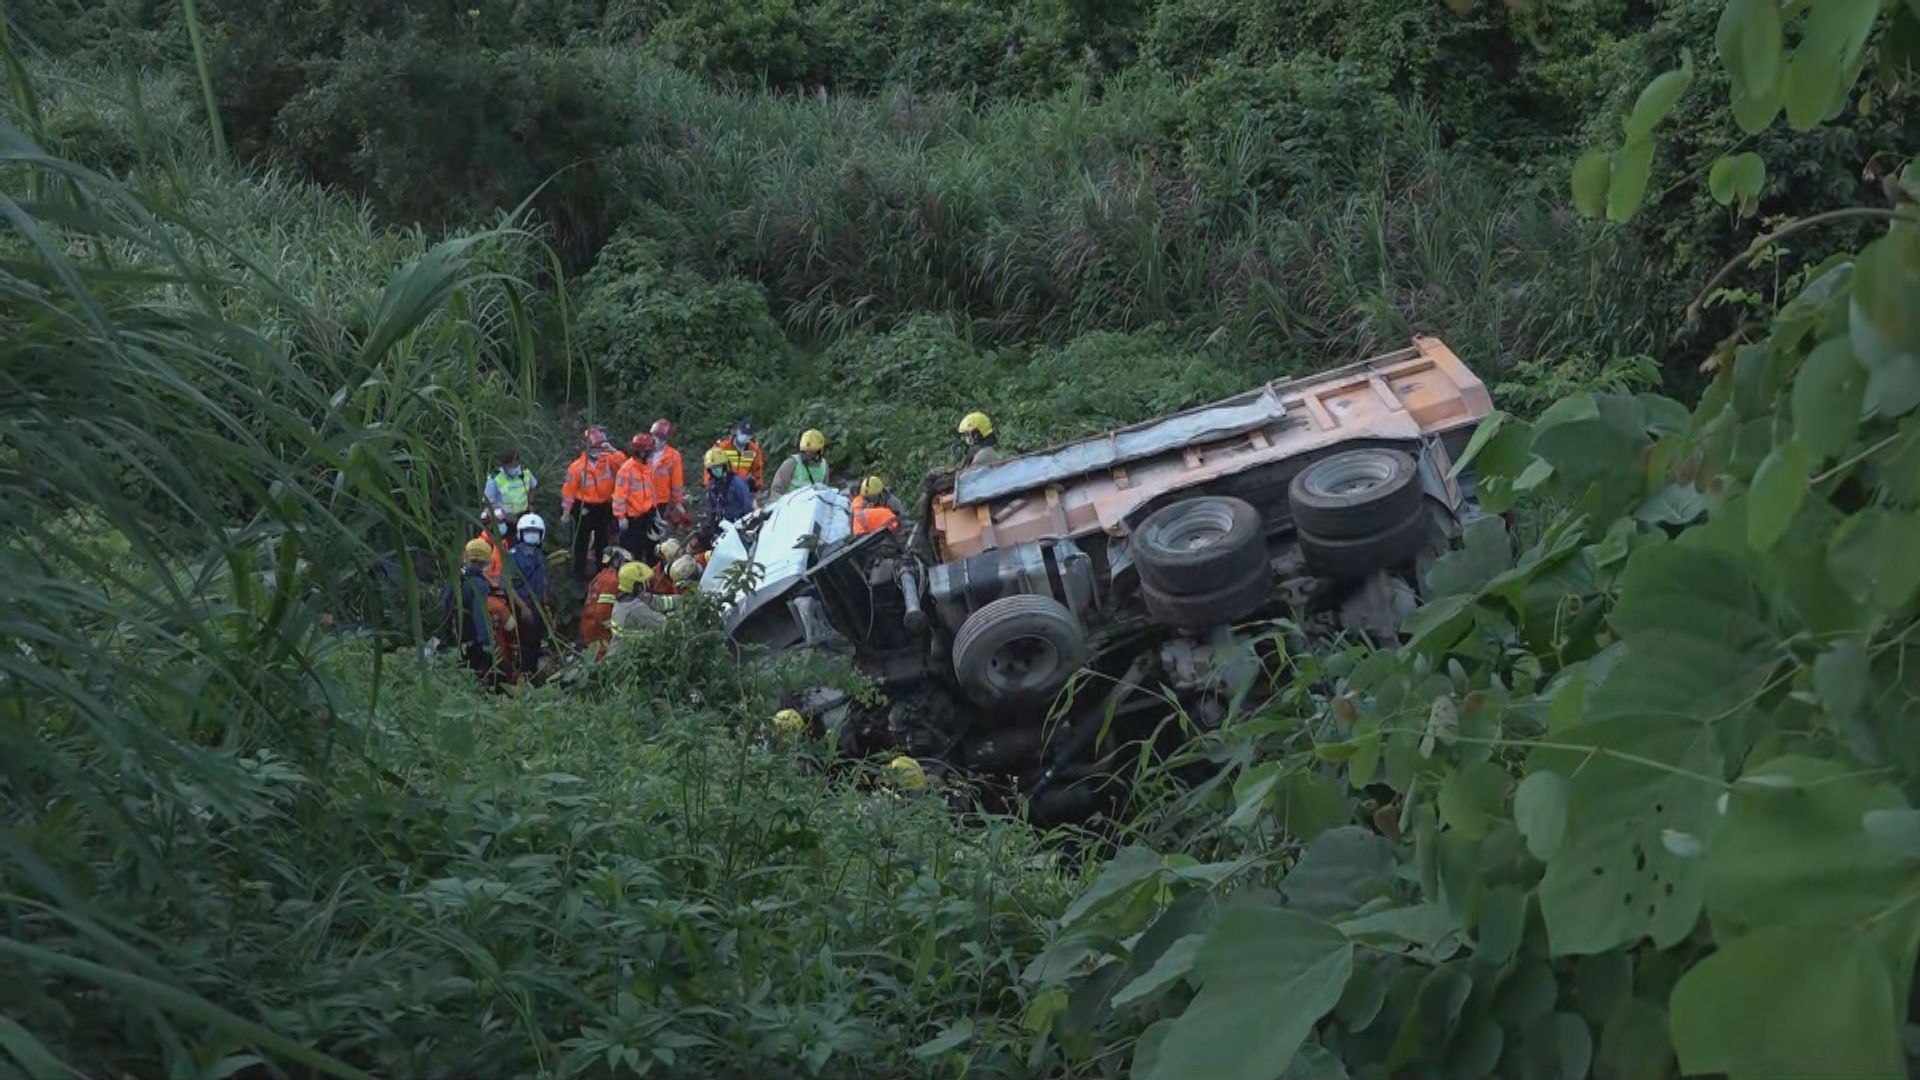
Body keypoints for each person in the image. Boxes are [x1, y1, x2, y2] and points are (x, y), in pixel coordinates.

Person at [560, 425, 626, 585]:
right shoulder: (577, 468)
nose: (598, 452)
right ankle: (579, 574)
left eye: (599, 448)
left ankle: (601, 571)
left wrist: (612, 450)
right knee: (581, 542)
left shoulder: (608, 460)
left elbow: (625, 465)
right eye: (595, 448)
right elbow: (568, 491)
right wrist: (566, 513)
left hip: (604, 507)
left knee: (602, 541)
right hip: (584, 507)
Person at [506, 512, 551, 678]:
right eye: (528, 532)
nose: (532, 535)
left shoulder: (540, 556)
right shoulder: (512, 556)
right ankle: (520, 675)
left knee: (535, 643)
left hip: (537, 606)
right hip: (519, 606)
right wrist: (523, 608)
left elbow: (543, 582)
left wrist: (546, 606)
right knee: (521, 644)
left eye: (535, 532)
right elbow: (508, 586)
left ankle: (531, 676)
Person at [613, 433, 661, 562]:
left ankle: (653, 571)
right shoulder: (626, 470)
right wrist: (621, 517)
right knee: (634, 552)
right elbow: (619, 496)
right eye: (649, 452)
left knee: (653, 549)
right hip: (633, 519)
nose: (651, 455)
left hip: (648, 515)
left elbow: (651, 490)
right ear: (641, 453)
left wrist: (655, 509)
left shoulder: (648, 467)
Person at [457, 538, 498, 681]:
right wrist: (487, 643)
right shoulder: (479, 584)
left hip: (454, 637)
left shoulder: (457, 578)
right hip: (471, 640)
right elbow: (480, 615)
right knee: (476, 677)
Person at [579, 546, 629, 657]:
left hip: (588, 625)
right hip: (597, 630)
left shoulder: (602, 575)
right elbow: (603, 613)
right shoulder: (612, 581)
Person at [610, 561, 677, 637]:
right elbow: (663, 624)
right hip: (632, 644)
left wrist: (684, 599)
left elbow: (657, 601)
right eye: (643, 581)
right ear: (637, 585)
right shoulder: (635, 609)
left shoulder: (629, 598)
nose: (647, 583)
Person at [700, 446, 754, 536]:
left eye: (718, 467)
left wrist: (746, 526)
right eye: (713, 468)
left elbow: (747, 505)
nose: (716, 470)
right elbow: (711, 509)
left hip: (738, 526)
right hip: (721, 528)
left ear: (724, 466)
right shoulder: (712, 487)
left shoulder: (737, 483)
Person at [769, 429, 830, 498]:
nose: (808, 454)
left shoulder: (824, 465)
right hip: (792, 502)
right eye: (806, 451)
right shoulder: (791, 463)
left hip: (814, 502)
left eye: (812, 451)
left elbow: (825, 490)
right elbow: (776, 490)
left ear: (819, 452)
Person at [648, 419, 688, 524]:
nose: (656, 441)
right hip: (642, 499)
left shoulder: (673, 456)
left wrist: (677, 502)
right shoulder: (644, 452)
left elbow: (677, 482)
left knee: (656, 528)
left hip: (661, 500)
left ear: (665, 440)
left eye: (660, 439)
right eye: (654, 437)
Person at [485, 448, 537, 524]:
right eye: (510, 466)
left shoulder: (525, 472)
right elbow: (488, 503)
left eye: (515, 465)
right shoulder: (494, 477)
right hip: (504, 519)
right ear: (503, 465)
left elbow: (533, 487)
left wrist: (531, 503)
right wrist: (504, 515)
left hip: (525, 516)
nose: (513, 468)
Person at [713, 421, 765, 495]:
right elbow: (711, 467)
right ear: (737, 432)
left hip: (744, 487)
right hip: (724, 486)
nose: (745, 437)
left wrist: (756, 487)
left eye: (748, 435)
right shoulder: (722, 447)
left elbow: (757, 470)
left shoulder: (754, 450)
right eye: (743, 433)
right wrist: (710, 485)